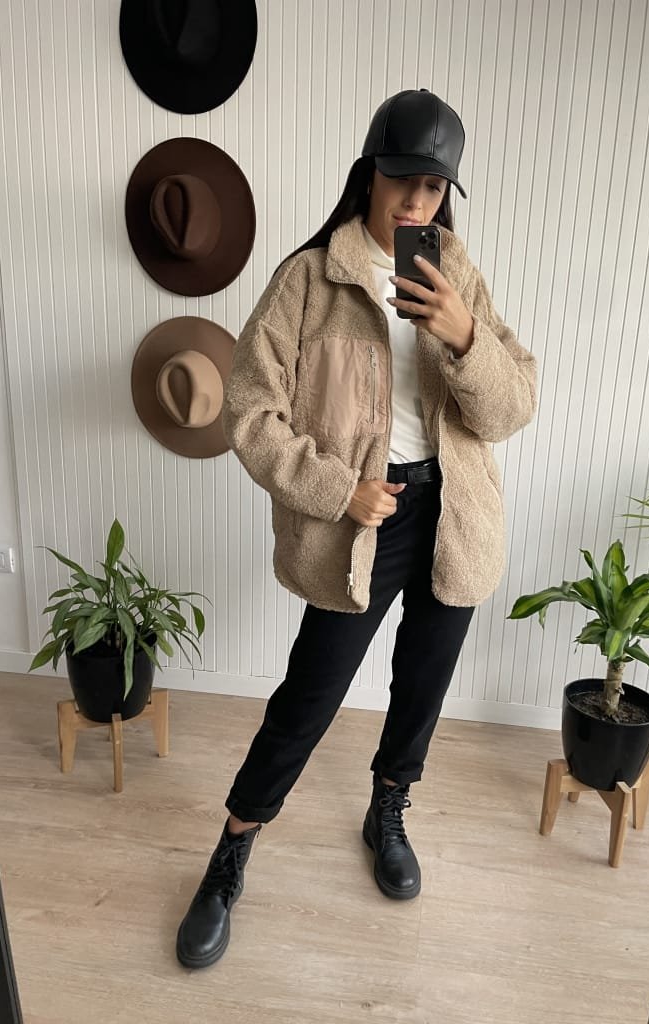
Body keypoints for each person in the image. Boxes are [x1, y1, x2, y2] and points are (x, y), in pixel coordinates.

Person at [176, 88, 538, 969]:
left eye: (435, 187)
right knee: (310, 695)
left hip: (455, 514)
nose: (417, 201)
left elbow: (512, 407)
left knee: (422, 687)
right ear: (370, 172)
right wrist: (340, 491)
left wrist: (463, 335)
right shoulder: (310, 279)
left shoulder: (457, 276)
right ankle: (232, 850)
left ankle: (388, 809)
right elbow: (249, 413)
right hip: (359, 522)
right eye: (404, 178)